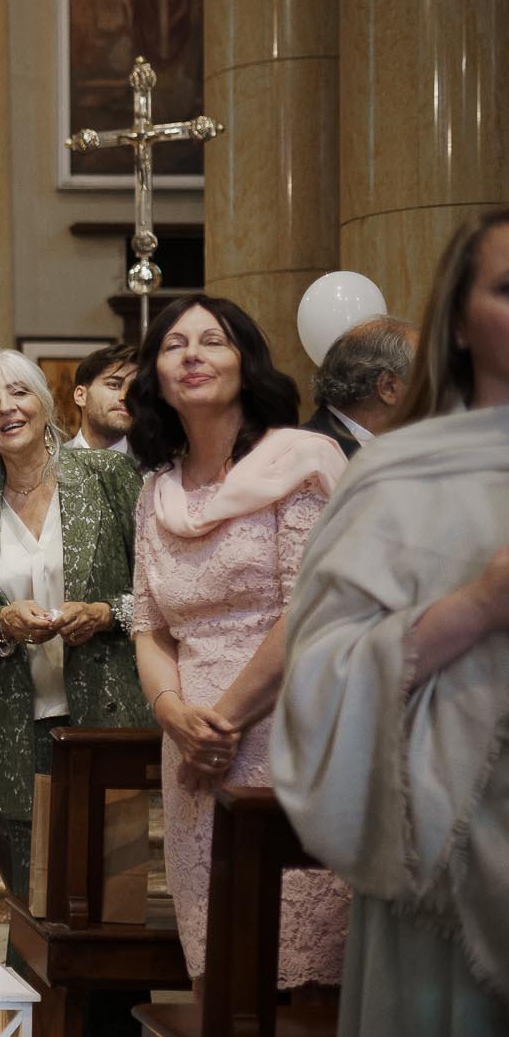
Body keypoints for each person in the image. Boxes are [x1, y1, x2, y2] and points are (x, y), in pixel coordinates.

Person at [274, 208, 509, 1037]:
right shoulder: (394, 475)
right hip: (443, 861)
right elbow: (317, 676)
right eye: (508, 288)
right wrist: (475, 607)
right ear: (456, 318)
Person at [0, 348, 156, 1037]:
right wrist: (2, 622)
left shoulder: (111, 477)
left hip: (106, 731)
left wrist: (107, 614)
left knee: (113, 909)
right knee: (39, 914)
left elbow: (159, 596)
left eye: (18, 391)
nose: (6, 406)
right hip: (22, 730)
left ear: (45, 401)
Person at [126, 294, 349, 990]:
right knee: (219, 969)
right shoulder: (156, 493)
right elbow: (149, 624)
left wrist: (220, 721)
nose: (192, 354)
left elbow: (310, 607)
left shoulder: (300, 463)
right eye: (174, 344)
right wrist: (174, 715)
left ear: (246, 362)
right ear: (155, 375)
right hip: (193, 752)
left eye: (213, 340)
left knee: (298, 972)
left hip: (287, 729)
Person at [299, 315, 417, 459]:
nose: (433, 393)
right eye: (424, 381)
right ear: (388, 387)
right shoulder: (312, 463)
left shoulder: (392, 450)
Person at [63, 341, 136, 456]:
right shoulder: (49, 465)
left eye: (135, 389)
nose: (125, 397)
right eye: (114, 385)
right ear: (81, 395)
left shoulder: (157, 470)